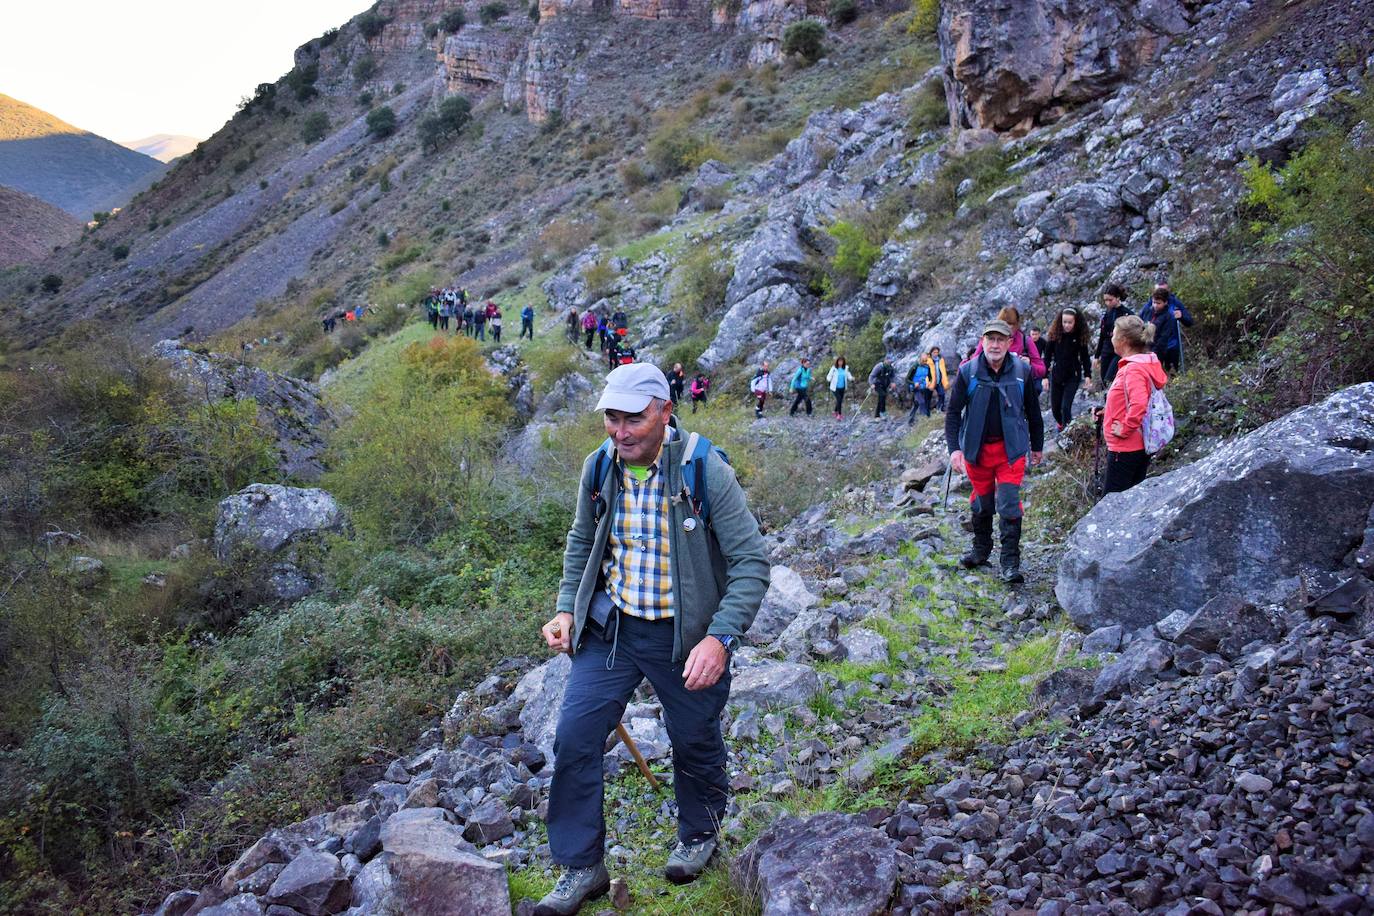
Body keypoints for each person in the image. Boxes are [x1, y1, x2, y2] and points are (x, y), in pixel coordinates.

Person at [535, 364, 769, 916]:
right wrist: (568, 610)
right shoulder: (599, 468)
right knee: (573, 736)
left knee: (694, 737)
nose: (621, 431)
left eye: (633, 418)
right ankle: (581, 867)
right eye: (612, 418)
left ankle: (700, 832)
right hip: (611, 631)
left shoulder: (704, 470)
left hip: (685, 638)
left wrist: (720, 640)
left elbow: (751, 563)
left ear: (665, 411)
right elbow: (581, 542)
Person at [945, 319, 1045, 584]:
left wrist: (1037, 447)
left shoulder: (1022, 370)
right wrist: (954, 449)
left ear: (1010, 343)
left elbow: (1034, 413)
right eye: (991, 339)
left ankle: (1010, 562)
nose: (996, 344)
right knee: (983, 503)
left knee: (1009, 502)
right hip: (976, 451)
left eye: (1001, 339)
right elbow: (953, 413)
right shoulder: (968, 372)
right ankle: (981, 549)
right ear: (983, 341)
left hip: (1010, 451)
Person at [1099, 315, 1168, 494]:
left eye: (1113, 335)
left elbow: (1139, 403)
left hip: (1126, 448)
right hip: (1136, 446)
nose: (1111, 338)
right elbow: (1129, 399)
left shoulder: (1133, 369)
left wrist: (1125, 427)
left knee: (1112, 505)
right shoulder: (1141, 364)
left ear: (1123, 340)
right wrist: (1107, 411)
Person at [1040, 307, 1093, 432]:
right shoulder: (1054, 336)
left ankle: (1067, 434)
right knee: (1055, 409)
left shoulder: (1079, 336)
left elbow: (1085, 357)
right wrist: (1044, 376)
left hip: (1073, 376)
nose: (1067, 325)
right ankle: (1062, 425)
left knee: (1065, 407)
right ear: (1060, 321)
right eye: (1064, 322)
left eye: (1070, 322)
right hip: (1057, 375)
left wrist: (1087, 375)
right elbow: (1047, 357)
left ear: (1075, 322)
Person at [972, 306, 1046, 380]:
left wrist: (1028, 365)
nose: (1006, 328)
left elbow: (1042, 370)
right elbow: (972, 365)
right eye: (1003, 324)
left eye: (1010, 324)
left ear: (1017, 324)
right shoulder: (987, 341)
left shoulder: (1026, 341)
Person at [1140, 283, 1194, 372]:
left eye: (1163, 290)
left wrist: (1182, 316)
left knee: (1171, 372)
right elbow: (1140, 320)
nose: (1156, 305)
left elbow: (1189, 321)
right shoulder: (1149, 306)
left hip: (1171, 344)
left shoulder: (1175, 304)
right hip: (1151, 346)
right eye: (1158, 290)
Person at [1095, 284, 1134, 386]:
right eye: (1105, 300)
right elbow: (1102, 335)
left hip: (1119, 351)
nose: (1107, 303)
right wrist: (1097, 355)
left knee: (1110, 379)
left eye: (1110, 300)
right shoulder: (1106, 314)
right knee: (1104, 381)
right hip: (1106, 350)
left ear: (1117, 298)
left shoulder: (1127, 314)